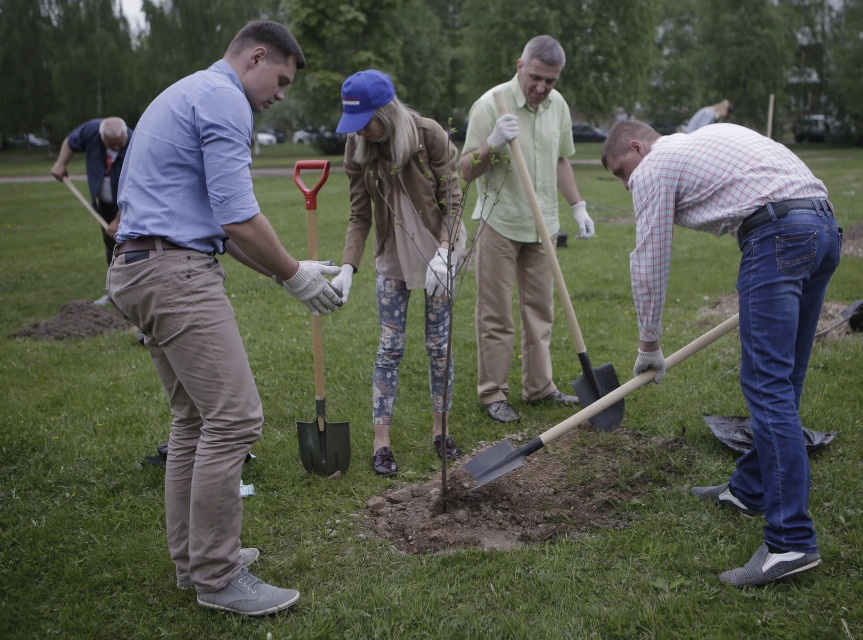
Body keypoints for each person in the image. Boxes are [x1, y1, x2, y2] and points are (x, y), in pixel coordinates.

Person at [105, 20, 343, 616]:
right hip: (172, 274)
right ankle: (218, 574)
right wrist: (296, 278)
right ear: (256, 56)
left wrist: (290, 263)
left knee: (193, 419)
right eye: (281, 80)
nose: (280, 94)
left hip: (141, 266)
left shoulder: (187, 91)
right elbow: (237, 219)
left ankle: (194, 562)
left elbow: (218, 225)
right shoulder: (223, 100)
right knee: (235, 420)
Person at [601, 120, 841, 588]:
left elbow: (649, 259)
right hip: (823, 227)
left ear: (637, 147)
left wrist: (648, 343)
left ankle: (790, 541)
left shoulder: (656, 166)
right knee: (784, 380)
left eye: (621, 171)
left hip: (776, 234)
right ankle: (749, 489)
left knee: (767, 386)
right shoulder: (705, 139)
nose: (627, 183)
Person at [330, 69, 466, 476]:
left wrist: (445, 251)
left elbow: (453, 201)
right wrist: (348, 268)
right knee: (389, 346)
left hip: (438, 250)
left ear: (386, 113)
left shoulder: (429, 136)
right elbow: (358, 215)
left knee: (439, 345)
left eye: (365, 123)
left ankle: (440, 432)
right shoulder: (357, 146)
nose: (360, 132)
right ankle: (381, 442)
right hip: (393, 255)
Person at [459, 35, 594, 424]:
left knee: (541, 311)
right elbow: (465, 171)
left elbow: (562, 160)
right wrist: (492, 144)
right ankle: (493, 394)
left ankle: (539, 387)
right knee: (495, 313)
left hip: (543, 226)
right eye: (535, 77)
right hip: (499, 222)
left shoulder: (558, 106)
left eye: (550, 81)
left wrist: (578, 206)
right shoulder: (491, 105)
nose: (541, 87)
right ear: (520, 65)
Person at [51, 117, 132, 305]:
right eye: (111, 144)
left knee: (130, 245)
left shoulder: (134, 142)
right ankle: (114, 292)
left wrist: (118, 219)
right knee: (109, 245)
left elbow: (135, 187)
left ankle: (134, 290)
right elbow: (70, 142)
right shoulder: (91, 130)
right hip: (104, 202)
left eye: (120, 143)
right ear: (102, 137)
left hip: (128, 204)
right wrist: (61, 164)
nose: (117, 147)